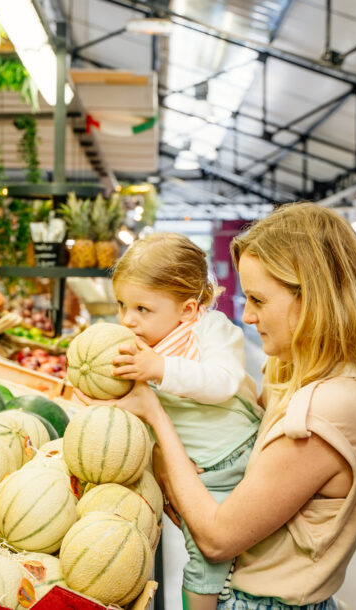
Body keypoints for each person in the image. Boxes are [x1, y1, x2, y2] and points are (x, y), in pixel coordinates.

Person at [115, 203, 356, 609]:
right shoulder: (297, 377)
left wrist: (157, 421)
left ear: (313, 299)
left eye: (258, 299)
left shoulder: (330, 407)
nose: (247, 315)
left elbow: (217, 538)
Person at [109, 232, 263, 610]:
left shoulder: (211, 331)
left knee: (210, 559)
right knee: (213, 555)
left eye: (142, 309)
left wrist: (159, 368)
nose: (127, 320)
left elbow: (222, 382)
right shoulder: (141, 348)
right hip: (196, 472)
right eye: (121, 305)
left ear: (188, 310)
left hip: (234, 457)